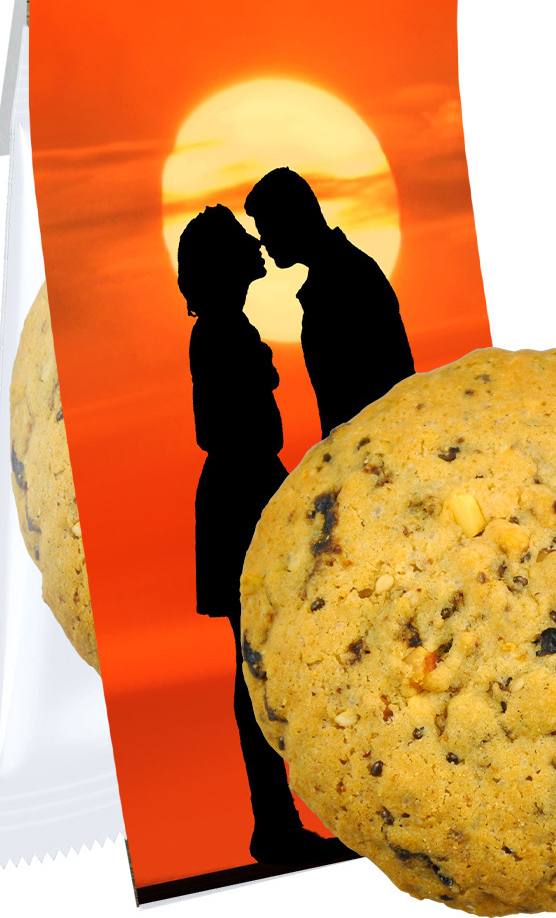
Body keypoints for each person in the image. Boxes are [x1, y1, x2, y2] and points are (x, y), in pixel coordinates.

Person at [177, 205, 348, 866]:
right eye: (241, 242)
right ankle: (274, 823)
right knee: (257, 666)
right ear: (224, 266)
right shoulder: (220, 332)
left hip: (248, 489)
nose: (256, 245)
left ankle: (278, 818)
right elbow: (219, 429)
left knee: (262, 662)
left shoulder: (228, 327)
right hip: (241, 494)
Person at [244, 167, 415, 438]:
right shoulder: (341, 274)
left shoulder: (346, 278)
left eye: (267, 228)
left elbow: (377, 383)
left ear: (291, 221)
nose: (263, 241)